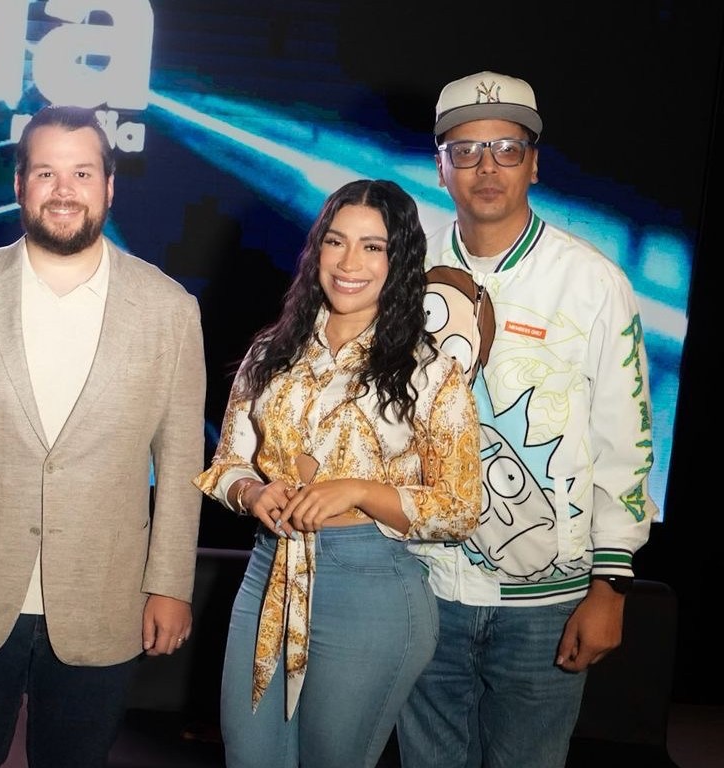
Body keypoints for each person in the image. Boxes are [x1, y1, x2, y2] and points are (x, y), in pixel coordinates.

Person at [0, 104, 206, 767]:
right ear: (19, 184)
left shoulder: (170, 310)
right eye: (46, 173)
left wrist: (171, 584)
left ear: (109, 186)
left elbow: (181, 463)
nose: (64, 190)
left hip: (105, 596)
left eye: (82, 173)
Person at [398, 71, 661, 768]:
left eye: (507, 148)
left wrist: (611, 585)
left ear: (534, 164)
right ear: (440, 167)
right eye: (465, 150)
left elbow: (626, 440)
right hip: (423, 585)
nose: (486, 167)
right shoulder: (403, 274)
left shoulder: (593, 282)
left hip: (547, 602)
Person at [194, 179, 483, 767]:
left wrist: (359, 491)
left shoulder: (431, 370)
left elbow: (460, 507)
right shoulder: (270, 352)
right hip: (268, 572)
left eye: (373, 247)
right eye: (336, 241)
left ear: (399, 260)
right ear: (317, 250)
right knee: (248, 757)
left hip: (369, 586)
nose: (350, 263)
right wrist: (251, 491)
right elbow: (226, 464)